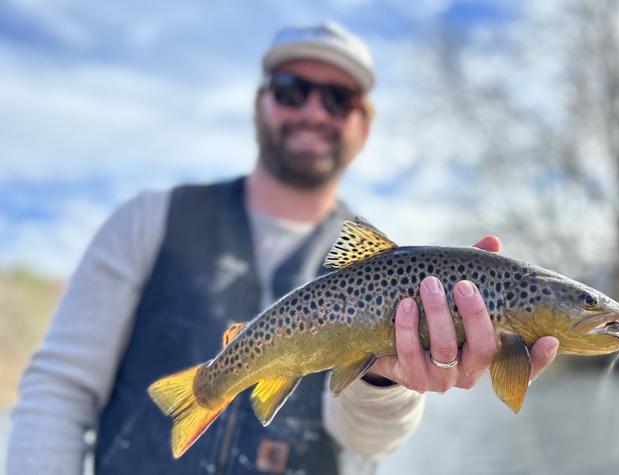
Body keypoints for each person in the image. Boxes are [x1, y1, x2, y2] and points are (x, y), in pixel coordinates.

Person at [7, 22, 560, 475]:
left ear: (363, 126)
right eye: (293, 89)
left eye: (339, 98)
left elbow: (364, 449)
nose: (315, 112)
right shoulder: (147, 221)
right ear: (260, 104)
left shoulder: (403, 269)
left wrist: (383, 381)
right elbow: (58, 390)